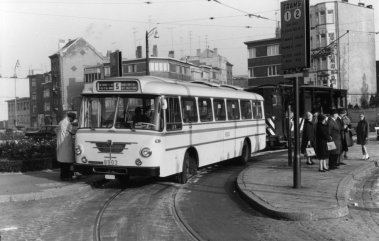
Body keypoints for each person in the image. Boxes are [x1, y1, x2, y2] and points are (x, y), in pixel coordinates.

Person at [56, 112, 76, 180]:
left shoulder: (61, 122)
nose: (73, 121)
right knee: (67, 162)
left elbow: (56, 131)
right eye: (73, 119)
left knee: (62, 162)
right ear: (71, 118)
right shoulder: (68, 123)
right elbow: (73, 132)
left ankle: (62, 176)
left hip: (61, 143)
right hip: (66, 144)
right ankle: (67, 176)